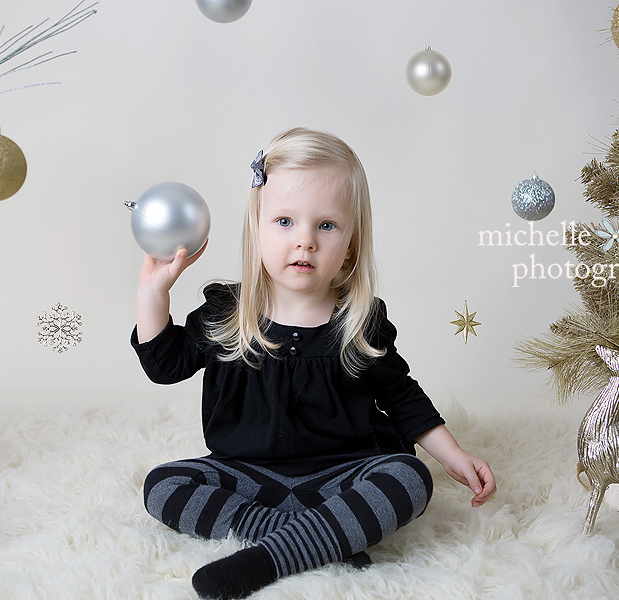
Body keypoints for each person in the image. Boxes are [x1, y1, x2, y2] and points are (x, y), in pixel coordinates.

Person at [132, 127, 496, 599]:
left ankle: (271, 554)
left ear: (350, 241)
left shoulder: (358, 321)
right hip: (248, 475)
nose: (304, 242)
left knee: (409, 477)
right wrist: (152, 292)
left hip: (343, 474)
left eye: (325, 226)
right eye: (284, 221)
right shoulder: (227, 313)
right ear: (257, 227)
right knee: (163, 485)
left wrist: (454, 455)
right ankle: (313, 538)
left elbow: (402, 398)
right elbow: (163, 365)